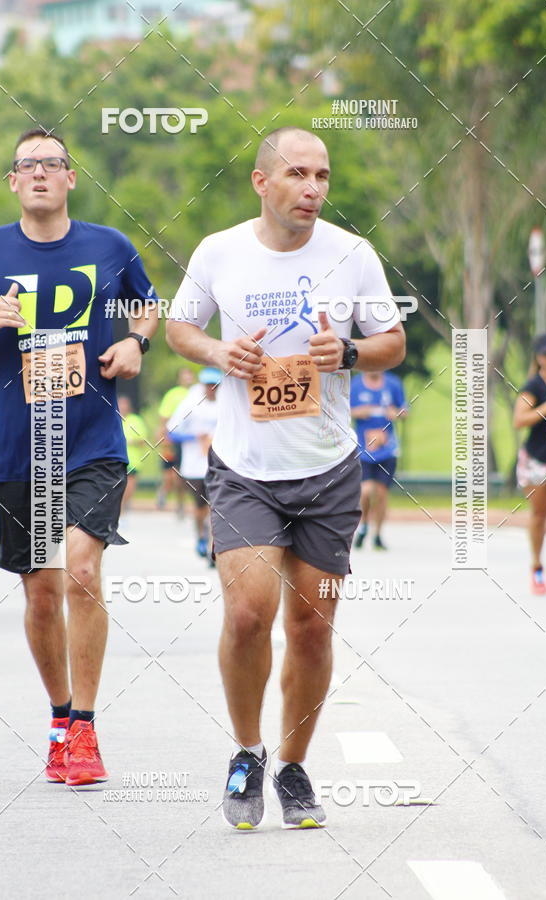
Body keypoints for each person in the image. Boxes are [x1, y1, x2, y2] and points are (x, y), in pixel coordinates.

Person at [166, 126, 405, 829]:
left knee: (311, 628)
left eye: (323, 176)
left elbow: (392, 343)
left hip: (329, 470)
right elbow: (181, 327)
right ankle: (248, 752)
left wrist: (351, 351)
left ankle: (294, 769)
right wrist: (218, 349)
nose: (313, 188)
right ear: (262, 182)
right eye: (298, 173)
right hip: (246, 469)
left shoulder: (353, 255)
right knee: (247, 615)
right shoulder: (221, 252)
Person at [0, 129, 159, 785]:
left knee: (79, 570)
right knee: (42, 594)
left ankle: (85, 729)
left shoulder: (109, 246)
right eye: (28, 165)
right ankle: (58, 717)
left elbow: (148, 307)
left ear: (71, 178)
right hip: (21, 449)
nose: (40, 173)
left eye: (52, 163)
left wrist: (136, 343)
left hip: (92, 443)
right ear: (12, 181)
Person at [513, 333, 546, 595]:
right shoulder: (534, 386)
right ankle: (537, 566)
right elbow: (518, 420)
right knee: (539, 515)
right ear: (539, 358)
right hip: (536, 458)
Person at [167, 367, 221, 559]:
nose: (211, 389)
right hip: (195, 467)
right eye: (208, 385)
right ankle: (200, 536)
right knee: (199, 507)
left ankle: (215, 545)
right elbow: (171, 432)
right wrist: (195, 437)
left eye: (215, 385)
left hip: (220, 466)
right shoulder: (191, 401)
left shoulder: (227, 401)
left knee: (217, 507)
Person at [350, 370, 407, 550]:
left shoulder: (393, 383)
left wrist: (396, 413)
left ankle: (378, 534)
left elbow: (405, 411)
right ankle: (364, 525)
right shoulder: (356, 384)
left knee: (381, 493)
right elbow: (344, 410)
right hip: (363, 450)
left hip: (387, 450)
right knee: (365, 491)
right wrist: (359, 412)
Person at [155, 367, 195, 513]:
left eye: (189, 375)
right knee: (170, 474)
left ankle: (181, 503)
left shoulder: (197, 393)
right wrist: (164, 438)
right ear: (179, 378)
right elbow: (163, 419)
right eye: (185, 375)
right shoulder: (172, 395)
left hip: (190, 440)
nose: (188, 378)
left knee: (182, 475)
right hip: (173, 439)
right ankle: (163, 493)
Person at [118, 395, 149, 514]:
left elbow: (143, 440)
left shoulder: (136, 420)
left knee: (129, 488)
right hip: (116, 460)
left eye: (125, 404)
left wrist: (131, 441)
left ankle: (123, 508)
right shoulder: (113, 418)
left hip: (132, 460)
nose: (123, 407)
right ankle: (119, 512)